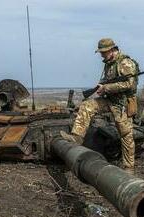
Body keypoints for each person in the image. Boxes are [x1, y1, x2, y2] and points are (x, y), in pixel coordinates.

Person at [60, 38, 139, 174]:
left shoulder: (125, 63)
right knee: (87, 106)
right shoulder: (108, 63)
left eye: (103, 52)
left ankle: (128, 168)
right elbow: (106, 81)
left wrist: (107, 87)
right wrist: (101, 87)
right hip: (109, 100)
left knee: (126, 135)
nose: (102, 55)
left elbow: (130, 84)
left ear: (112, 50)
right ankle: (77, 137)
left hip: (122, 104)